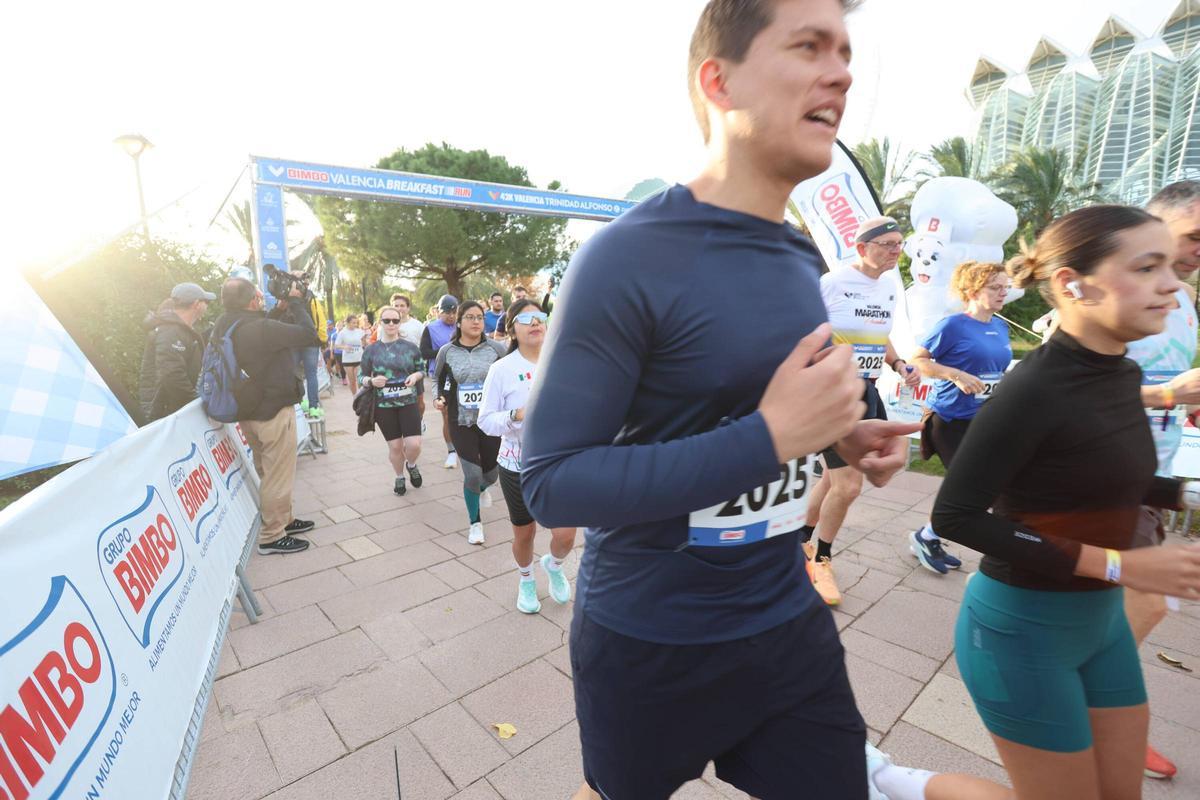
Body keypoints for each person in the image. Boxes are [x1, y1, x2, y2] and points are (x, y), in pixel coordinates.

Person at [521, 1, 920, 796]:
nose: (841, 72)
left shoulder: (798, 255)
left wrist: (839, 435)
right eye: (808, 46)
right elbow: (553, 482)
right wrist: (772, 436)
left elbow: (752, 405)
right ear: (719, 81)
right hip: (650, 640)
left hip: (786, 619)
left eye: (844, 51)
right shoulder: (626, 257)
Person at [869, 205, 1200, 800]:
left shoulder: (1120, 375)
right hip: (1022, 634)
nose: (1174, 284)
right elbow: (956, 517)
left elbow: (1107, 479)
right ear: (1073, 284)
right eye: (1149, 267)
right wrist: (1122, 565)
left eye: (1172, 267)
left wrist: (1188, 493)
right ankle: (893, 783)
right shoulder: (1033, 389)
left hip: (1102, 628)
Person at [1121, 180, 1200, 781]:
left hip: (1156, 475)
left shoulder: (1185, 299)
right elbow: (1068, 387)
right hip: (1106, 475)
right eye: (1194, 235)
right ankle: (1110, 722)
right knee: (1148, 599)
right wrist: (1168, 392)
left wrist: (1184, 403)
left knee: (1133, 603)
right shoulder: (1117, 286)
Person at [800, 215, 921, 605]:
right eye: (888, 244)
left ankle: (801, 540)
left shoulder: (888, 288)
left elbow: (879, 332)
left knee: (835, 480)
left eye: (900, 244)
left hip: (867, 390)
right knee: (850, 485)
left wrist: (899, 364)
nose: (896, 251)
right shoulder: (832, 283)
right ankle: (821, 558)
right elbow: (803, 332)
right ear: (862, 248)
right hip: (832, 394)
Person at [906, 261, 1011, 574]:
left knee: (968, 486)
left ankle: (929, 536)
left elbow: (996, 371)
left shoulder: (1001, 326)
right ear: (973, 290)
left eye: (1005, 287)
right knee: (971, 486)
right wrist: (953, 374)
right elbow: (919, 360)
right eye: (995, 287)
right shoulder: (952, 325)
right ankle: (928, 536)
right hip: (949, 419)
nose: (1003, 293)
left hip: (982, 419)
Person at [478, 299, 577, 613]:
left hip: (559, 463)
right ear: (512, 329)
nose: (535, 323)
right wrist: (515, 416)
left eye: (539, 317)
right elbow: (485, 420)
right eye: (525, 319)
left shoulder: (565, 362)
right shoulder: (502, 369)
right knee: (525, 532)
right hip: (516, 463)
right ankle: (526, 579)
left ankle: (554, 565)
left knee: (566, 534)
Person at [212, 277, 320, 555]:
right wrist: (296, 302)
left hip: (248, 411)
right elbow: (309, 335)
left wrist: (279, 309)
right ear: (251, 301)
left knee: (267, 470)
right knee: (277, 475)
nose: (262, 300)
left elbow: (261, 334)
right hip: (273, 411)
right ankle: (272, 535)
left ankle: (284, 520)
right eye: (259, 297)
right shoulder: (261, 328)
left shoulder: (226, 324)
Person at [434, 301, 507, 544]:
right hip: (461, 420)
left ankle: (482, 490)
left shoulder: (496, 349)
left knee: (491, 475)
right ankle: (475, 524)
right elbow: (440, 380)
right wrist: (439, 398)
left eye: (479, 317)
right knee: (473, 475)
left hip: (491, 420)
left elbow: (507, 379)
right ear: (459, 321)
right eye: (469, 317)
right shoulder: (447, 351)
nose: (476, 321)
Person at [360, 305, 426, 496]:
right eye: (386, 320)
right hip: (384, 405)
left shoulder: (410, 348)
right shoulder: (371, 350)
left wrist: (415, 377)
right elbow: (361, 376)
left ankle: (411, 465)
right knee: (395, 447)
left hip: (408, 402)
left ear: (399, 322)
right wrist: (371, 381)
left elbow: (421, 369)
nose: (391, 324)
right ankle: (399, 476)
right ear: (380, 323)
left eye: (395, 320)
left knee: (414, 444)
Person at [139, 282, 213, 422]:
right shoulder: (170, 331)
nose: (207, 305)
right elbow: (172, 375)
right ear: (196, 304)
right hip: (165, 413)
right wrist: (196, 404)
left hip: (176, 410)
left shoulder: (180, 329)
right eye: (206, 301)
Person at [422, 295, 460, 468]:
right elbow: (424, 352)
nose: (451, 316)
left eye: (454, 312)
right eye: (447, 312)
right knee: (447, 415)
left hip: (464, 375)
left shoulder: (462, 325)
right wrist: (445, 351)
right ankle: (451, 452)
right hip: (442, 375)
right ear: (439, 312)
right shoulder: (430, 328)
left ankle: (467, 448)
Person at [299, 293, 328, 418]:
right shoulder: (311, 297)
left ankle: (301, 403)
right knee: (311, 374)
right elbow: (320, 320)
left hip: (293, 339)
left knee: (296, 373)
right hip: (311, 340)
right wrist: (322, 339)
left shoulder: (287, 296)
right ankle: (313, 407)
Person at [335, 314, 365, 398]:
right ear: (347, 323)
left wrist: (364, 345)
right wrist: (345, 347)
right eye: (353, 323)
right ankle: (355, 397)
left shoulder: (359, 331)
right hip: (348, 360)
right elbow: (336, 345)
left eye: (356, 323)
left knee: (359, 380)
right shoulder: (342, 333)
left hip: (359, 358)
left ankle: (361, 397)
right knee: (352, 381)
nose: (355, 324)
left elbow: (364, 342)